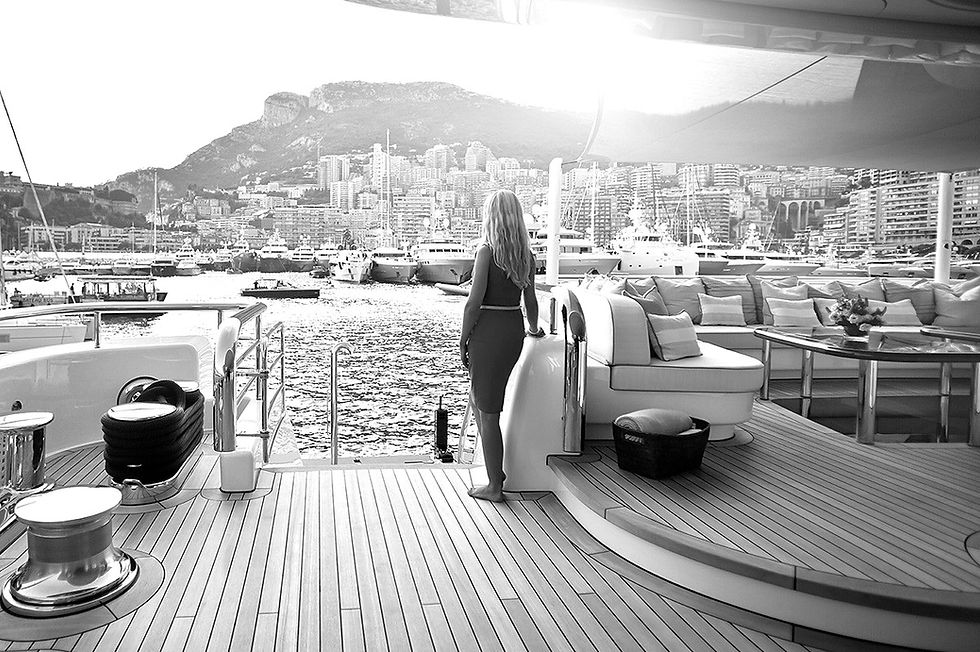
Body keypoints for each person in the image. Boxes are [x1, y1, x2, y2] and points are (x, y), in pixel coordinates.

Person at [460, 189, 543, 502]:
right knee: (483, 400)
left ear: (491, 216)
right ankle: (496, 471)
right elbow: (530, 301)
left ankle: (495, 485)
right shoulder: (526, 257)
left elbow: (473, 303)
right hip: (512, 330)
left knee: (488, 410)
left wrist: (462, 338)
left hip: (489, 332)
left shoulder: (487, 252)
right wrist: (534, 329)